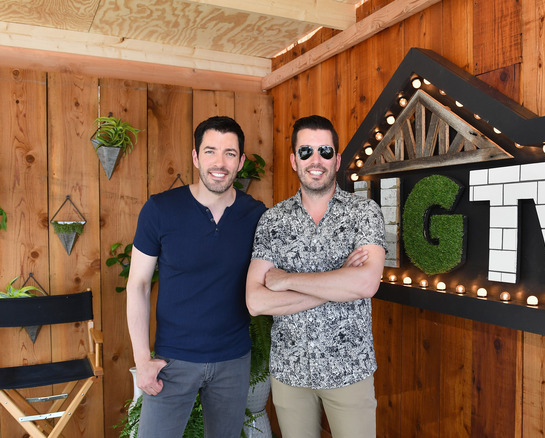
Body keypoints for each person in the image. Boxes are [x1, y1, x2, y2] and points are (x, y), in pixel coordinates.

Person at [246, 115, 386, 438]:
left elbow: (366, 283)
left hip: (350, 369)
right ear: (294, 160)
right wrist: (339, 283)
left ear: (337, 159)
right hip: (289, 372)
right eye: (306, 151)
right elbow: (255, 301)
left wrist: (287, 280)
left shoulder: (363, 213)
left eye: (325, 151)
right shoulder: (272, 221)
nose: (316, 160)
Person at [126, 116, 267, 437]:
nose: (220, 163)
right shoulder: (160, 210)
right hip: (172, 362)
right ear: (195, 156)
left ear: (241, 161)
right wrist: (142, 359)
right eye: (210, 151)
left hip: (233, 361)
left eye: (230, 153)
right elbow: (138, 285)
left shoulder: (255, 215)